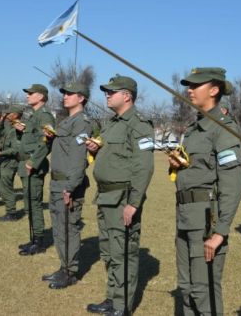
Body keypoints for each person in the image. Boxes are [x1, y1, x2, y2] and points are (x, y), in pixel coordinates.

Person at [170, 68, 241, 316]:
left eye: (196, 85)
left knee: (204, 291)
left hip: (206, 223)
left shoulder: (223, 129)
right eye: (188, 86)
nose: (189, 90)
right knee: (187, 288)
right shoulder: (194, 129)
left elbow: (232, 185)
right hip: (185, 217)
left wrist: (220, 231)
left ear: (213, 90)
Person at [86, 75, 154, 316]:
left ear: (127, 96)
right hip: (105, 197)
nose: (106, 95)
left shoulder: (139, 124)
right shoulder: (111, 123)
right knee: (108, 251)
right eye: (106, 91)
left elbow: (143, 167)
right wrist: (96, 148)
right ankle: (112, 298)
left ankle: (121, 306)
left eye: (111, 91)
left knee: (123, 252)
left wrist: (133, 203)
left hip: (122, 199)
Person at [42, 83, 92, 289]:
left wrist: (70, 186)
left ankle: (70, 272)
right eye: (64, 93)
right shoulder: (67, 121)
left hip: (67, 184)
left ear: (81, 98)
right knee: (58, 229)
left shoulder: (81, 122)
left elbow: (79, 158)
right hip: (57, 182)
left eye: (70, 94)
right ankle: (63, 267)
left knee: (68, 228)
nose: (65, 97)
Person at [15, 84, 55, 256]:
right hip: (26, 165)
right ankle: (34, 237)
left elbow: (47, 142)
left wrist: (33, 161)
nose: (27, 96)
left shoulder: (45, 116)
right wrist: (20, 131)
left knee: (34, 203)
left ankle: (39, 240)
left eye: (31, 94)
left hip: (34, 166)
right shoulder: (33, 116)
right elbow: (29, 140)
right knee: (29, 203)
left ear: (41, 96)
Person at [0, 105, 25, 221]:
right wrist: (2, 120)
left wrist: (1, 153)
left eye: (9, 113)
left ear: (16, 115)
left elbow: (16, 149)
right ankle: (9, 210)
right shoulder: (9, 126)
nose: (6, 115)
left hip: (11, 161)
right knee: (2, 187)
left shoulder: (18, 127)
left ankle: (11, 213)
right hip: (4, 160)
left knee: (7, 187)